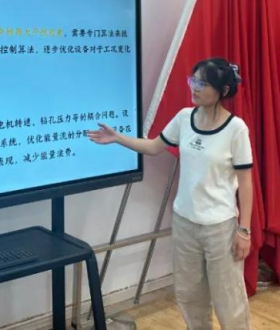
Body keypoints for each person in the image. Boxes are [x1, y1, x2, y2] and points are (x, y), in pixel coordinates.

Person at [88, 58, 253, 330]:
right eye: (193, 80)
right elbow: (154, 147)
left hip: (219, 227)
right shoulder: (184, 118)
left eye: (203, 83)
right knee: (189, 295)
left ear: (223, 91)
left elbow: (246, 183)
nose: (195, 87)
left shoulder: (236, 129)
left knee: (228, 298)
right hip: (185, 221)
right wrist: (117, 138)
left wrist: (244, 230)